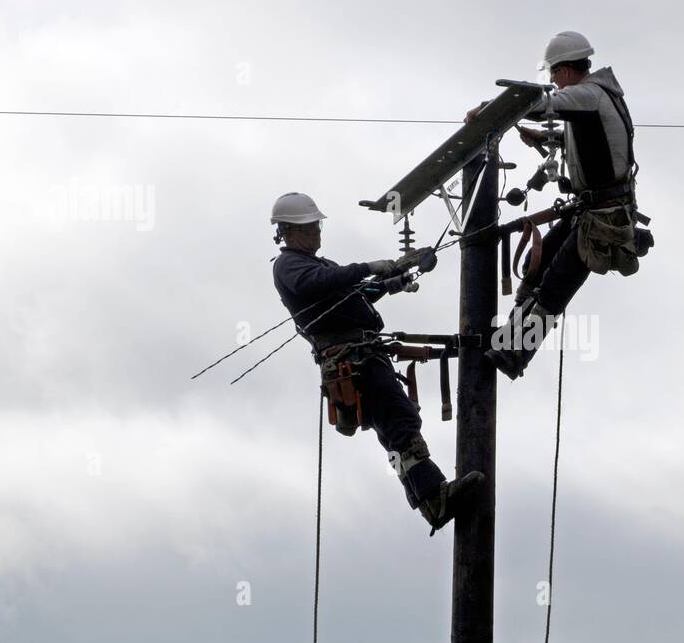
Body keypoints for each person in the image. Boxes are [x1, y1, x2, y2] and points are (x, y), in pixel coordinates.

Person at [269, 191, 483, 532]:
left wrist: (399, 279)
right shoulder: (291, 266)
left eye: (318, 226)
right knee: (399, 422)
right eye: (312, 227)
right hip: (351, 359)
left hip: (362, 356)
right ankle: (435, 496)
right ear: (290, 231)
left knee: (395, 427)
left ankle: (432, 501)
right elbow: (324, 283)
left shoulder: (318, 265)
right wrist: (368, 267)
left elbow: (357, 293)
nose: (319, 232)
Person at [466, 30, 651, 379]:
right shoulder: (596, 98)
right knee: (535, 274)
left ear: (566, 70)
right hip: (589, 211)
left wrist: (488, 110)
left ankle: (515, 355)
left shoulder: (588, 94)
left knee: (553, 288)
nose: (553, 81)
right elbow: (587, 138)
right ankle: (509, 337)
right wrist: (546, 137)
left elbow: (540, 106)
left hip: (602, 218)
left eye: (553, 73)